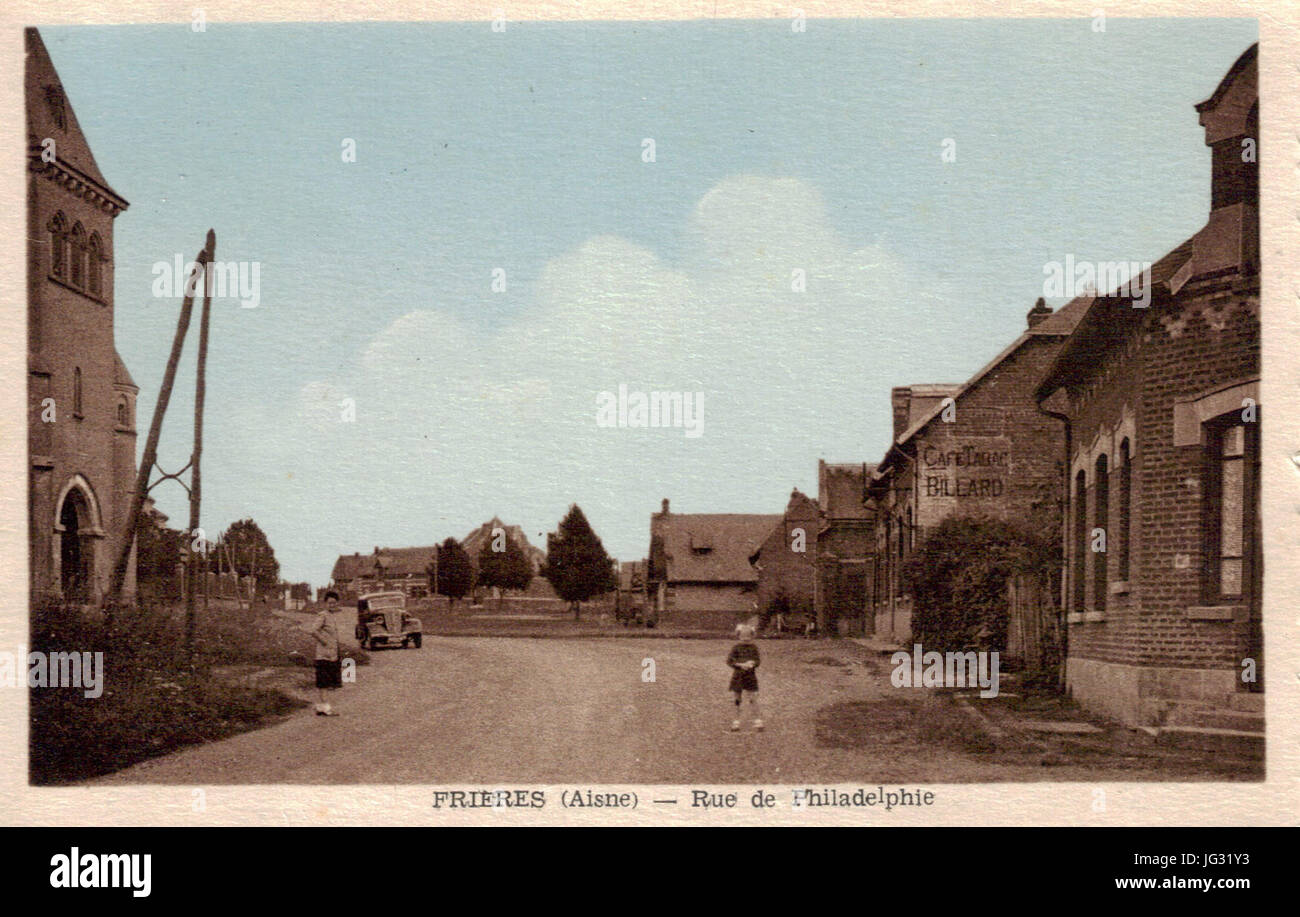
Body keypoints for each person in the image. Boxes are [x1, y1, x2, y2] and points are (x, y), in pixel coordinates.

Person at [726, 622, 762, 731]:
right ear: (739, 636)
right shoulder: (736, 648)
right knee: (737, 699)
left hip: (750, 676)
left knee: (752, 698)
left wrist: (752, 663)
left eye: (748, 637)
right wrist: (740, 665)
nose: (745, 640)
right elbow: (729, 661)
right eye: (743, 637)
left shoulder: (754, 648)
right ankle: (736, 721)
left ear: (752, 636)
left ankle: (758, 721)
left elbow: (758, 661)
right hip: (738, 676)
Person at [314, 590, 343, 716]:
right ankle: (325, 708)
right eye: (330, 603)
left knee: (326, 683)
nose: (332, 605)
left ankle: (320, 707)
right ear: (325, 603)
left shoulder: (332, 616)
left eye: (334, 603)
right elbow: (314, 630)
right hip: (323, 655)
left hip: (331, 655)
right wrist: (324, 642)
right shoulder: (323, 615)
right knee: (324, 683)